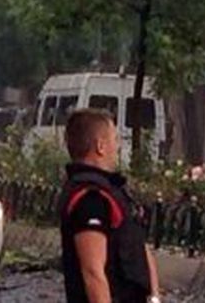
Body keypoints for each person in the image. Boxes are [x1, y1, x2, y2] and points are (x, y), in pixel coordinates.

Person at [57, 109, 161, 303]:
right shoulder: (89, 199)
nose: (118, 146)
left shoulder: (114, 192)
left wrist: (154, 297)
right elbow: (93, 273)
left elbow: (138, 244)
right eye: (115, 139)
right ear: (101, 146)